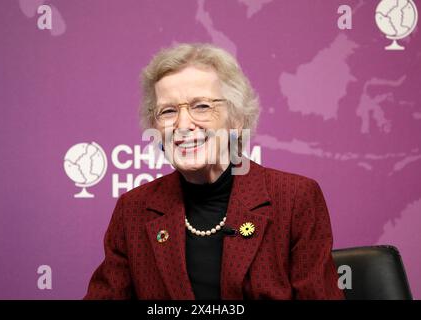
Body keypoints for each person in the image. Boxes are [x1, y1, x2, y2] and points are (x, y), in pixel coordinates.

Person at [84, 43, 344, 300]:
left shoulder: (294, 198)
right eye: (168, 111)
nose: (183, 125)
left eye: (202, 106)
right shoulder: (133, 209)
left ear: (236, 119)